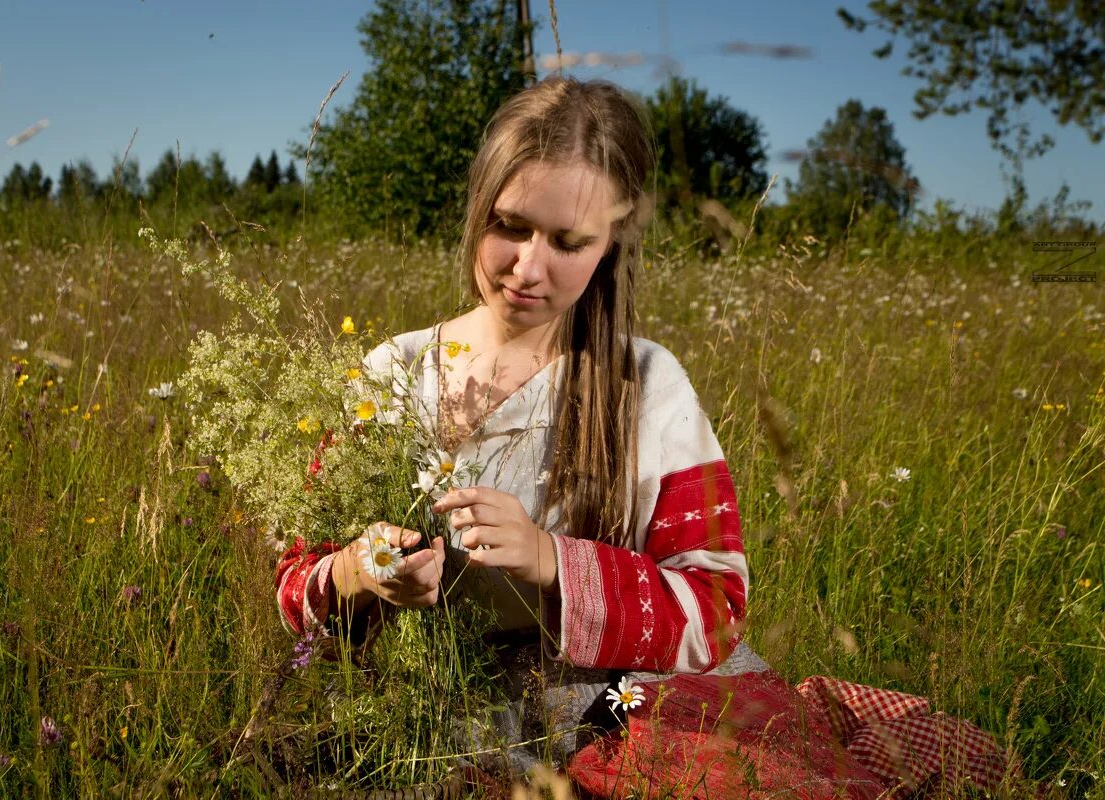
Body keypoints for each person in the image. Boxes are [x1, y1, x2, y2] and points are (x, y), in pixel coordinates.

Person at [275, 76, 1014, 798]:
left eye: (568, 241)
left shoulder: (644, 383)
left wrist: (551, 562)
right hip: (439, 714)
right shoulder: (391, 374)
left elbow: (716, 609)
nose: (528, 267)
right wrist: (361, 572)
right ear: (478, 209)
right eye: (510, 225)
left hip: (627, 703)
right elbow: (294, 584)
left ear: (610, 245)